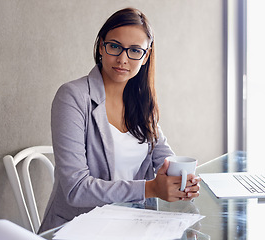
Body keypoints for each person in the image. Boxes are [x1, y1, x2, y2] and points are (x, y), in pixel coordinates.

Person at [38, 7, 200, 232]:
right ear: (101, 46)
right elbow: (75, 189)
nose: (123, 59)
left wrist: (183, 179)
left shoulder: (142, 102)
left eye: (135, 50)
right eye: (114, 46)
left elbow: (164, 158)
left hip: (132, 224)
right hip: (79, 228)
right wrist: (150, 189)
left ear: (146, 57)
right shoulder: (73, 97)